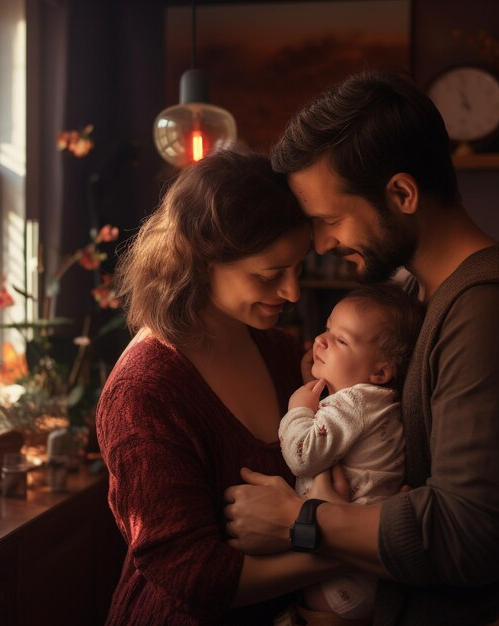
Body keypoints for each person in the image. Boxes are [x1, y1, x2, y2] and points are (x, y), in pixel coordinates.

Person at [223, 69, 499, 626]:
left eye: (330, 219)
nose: (321, 244)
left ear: (403, 193)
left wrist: (300, 521)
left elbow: (469, 536)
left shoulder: (489, 308)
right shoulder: (415, 295)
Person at [96, 148, 346, 625]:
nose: (293, 293)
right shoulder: (143, 389)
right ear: (200, 258)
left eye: (298, 268)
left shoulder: (278, 349)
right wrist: (345, 548)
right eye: (271, 275)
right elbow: (192, 576)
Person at [280, 284, 424, 622]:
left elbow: (303, 454)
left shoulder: (355, 401)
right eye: (327, 329)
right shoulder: (376, 402)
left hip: (340, 578)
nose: (321, 341)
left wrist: (298, 409)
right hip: (360, 571)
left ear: (380, 372)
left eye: (341, 340)